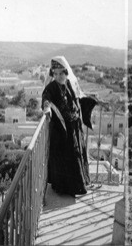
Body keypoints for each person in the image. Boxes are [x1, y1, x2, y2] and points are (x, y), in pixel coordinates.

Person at [42, 56, 97, 197]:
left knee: (76, 156)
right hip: (62, 130)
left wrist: (94, 101)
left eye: (61, 73)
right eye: (56, 73)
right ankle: (65, 189)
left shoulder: (69, 85)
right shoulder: (51, 87)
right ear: (52, 74)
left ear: (66, 73)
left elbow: (78, 99)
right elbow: (46, 99)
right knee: (66, 158)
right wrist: (47, 109)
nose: (59, 76)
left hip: (74, 128)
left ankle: (78, 186)